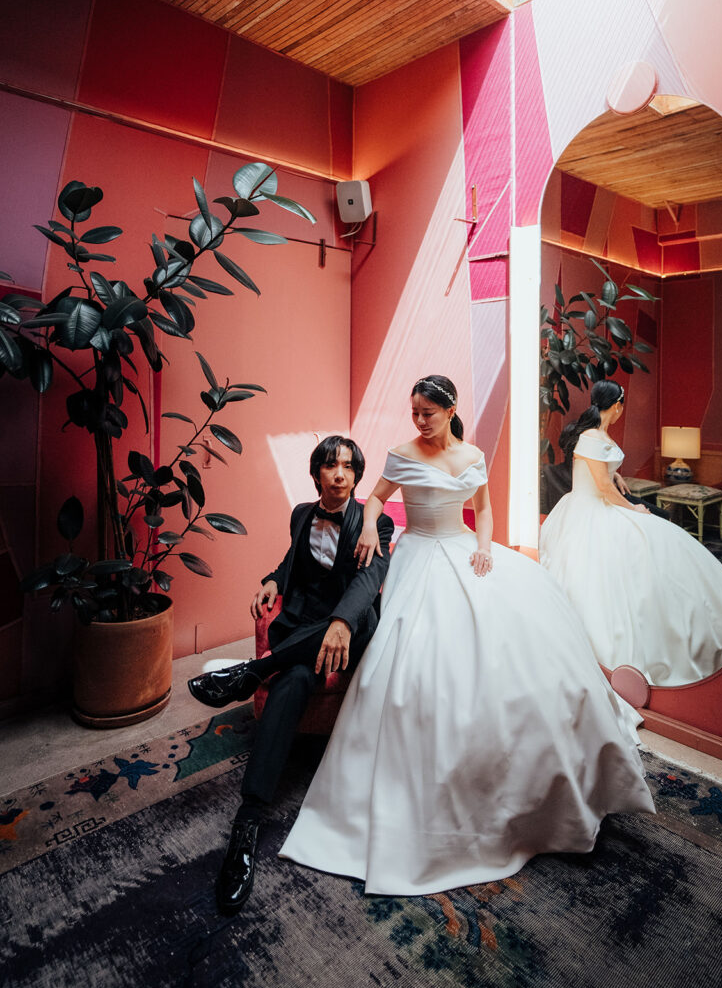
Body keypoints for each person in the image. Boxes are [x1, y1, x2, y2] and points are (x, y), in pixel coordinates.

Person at [279, 375, 655, 897]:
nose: (419, 420)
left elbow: (484, 510)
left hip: (462, 549)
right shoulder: (400, 453)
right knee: (412, 667)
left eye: (428, 412)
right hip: (416, 555)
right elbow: (376, 499)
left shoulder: (473, 455)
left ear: (450, 409)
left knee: (517, 648)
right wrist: (369, 525)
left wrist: (484, 546)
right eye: (414, 411)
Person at [188, 436, 394, 913]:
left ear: (357, 475)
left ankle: (250, 673)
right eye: (331, 465)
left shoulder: (374, 521)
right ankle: (248, 822)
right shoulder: (302, 513)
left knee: (358, 616)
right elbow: (291, 563)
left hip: (347, 628)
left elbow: (369, 579)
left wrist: (342, 622)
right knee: (294, 681)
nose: (340, 474)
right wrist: (272, 580)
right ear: (316, 473)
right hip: (303, 629)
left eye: (348, 467)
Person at [540, 380, 722, 687]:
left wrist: (616, 476)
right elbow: (600, 486)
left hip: (600, 502)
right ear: (616, 405)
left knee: (660, 543)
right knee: (636, 553)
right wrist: (630, 507)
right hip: (592, 509)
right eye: (623, 404)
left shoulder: (597, 435)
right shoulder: (592, 436)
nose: (623, 410)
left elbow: (601, 472)